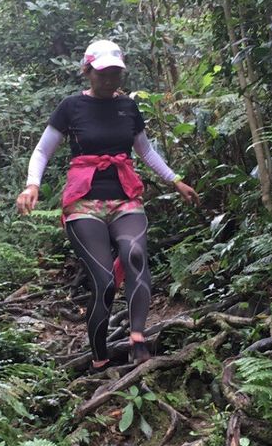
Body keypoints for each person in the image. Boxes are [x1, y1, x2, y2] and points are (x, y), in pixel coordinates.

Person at [16, 39, 198, 371]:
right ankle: (99, 359)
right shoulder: (71, 107)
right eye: (103, 72)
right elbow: (43, 151)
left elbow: (145, 151)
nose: (110, 78)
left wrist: (175, 180)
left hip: (125, 197)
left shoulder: (128, 107)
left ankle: (138, 340)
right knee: (104, 279)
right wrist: (32, 185)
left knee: (136, 255)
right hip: (84, 202)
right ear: (88, 72)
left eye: (115, 72)